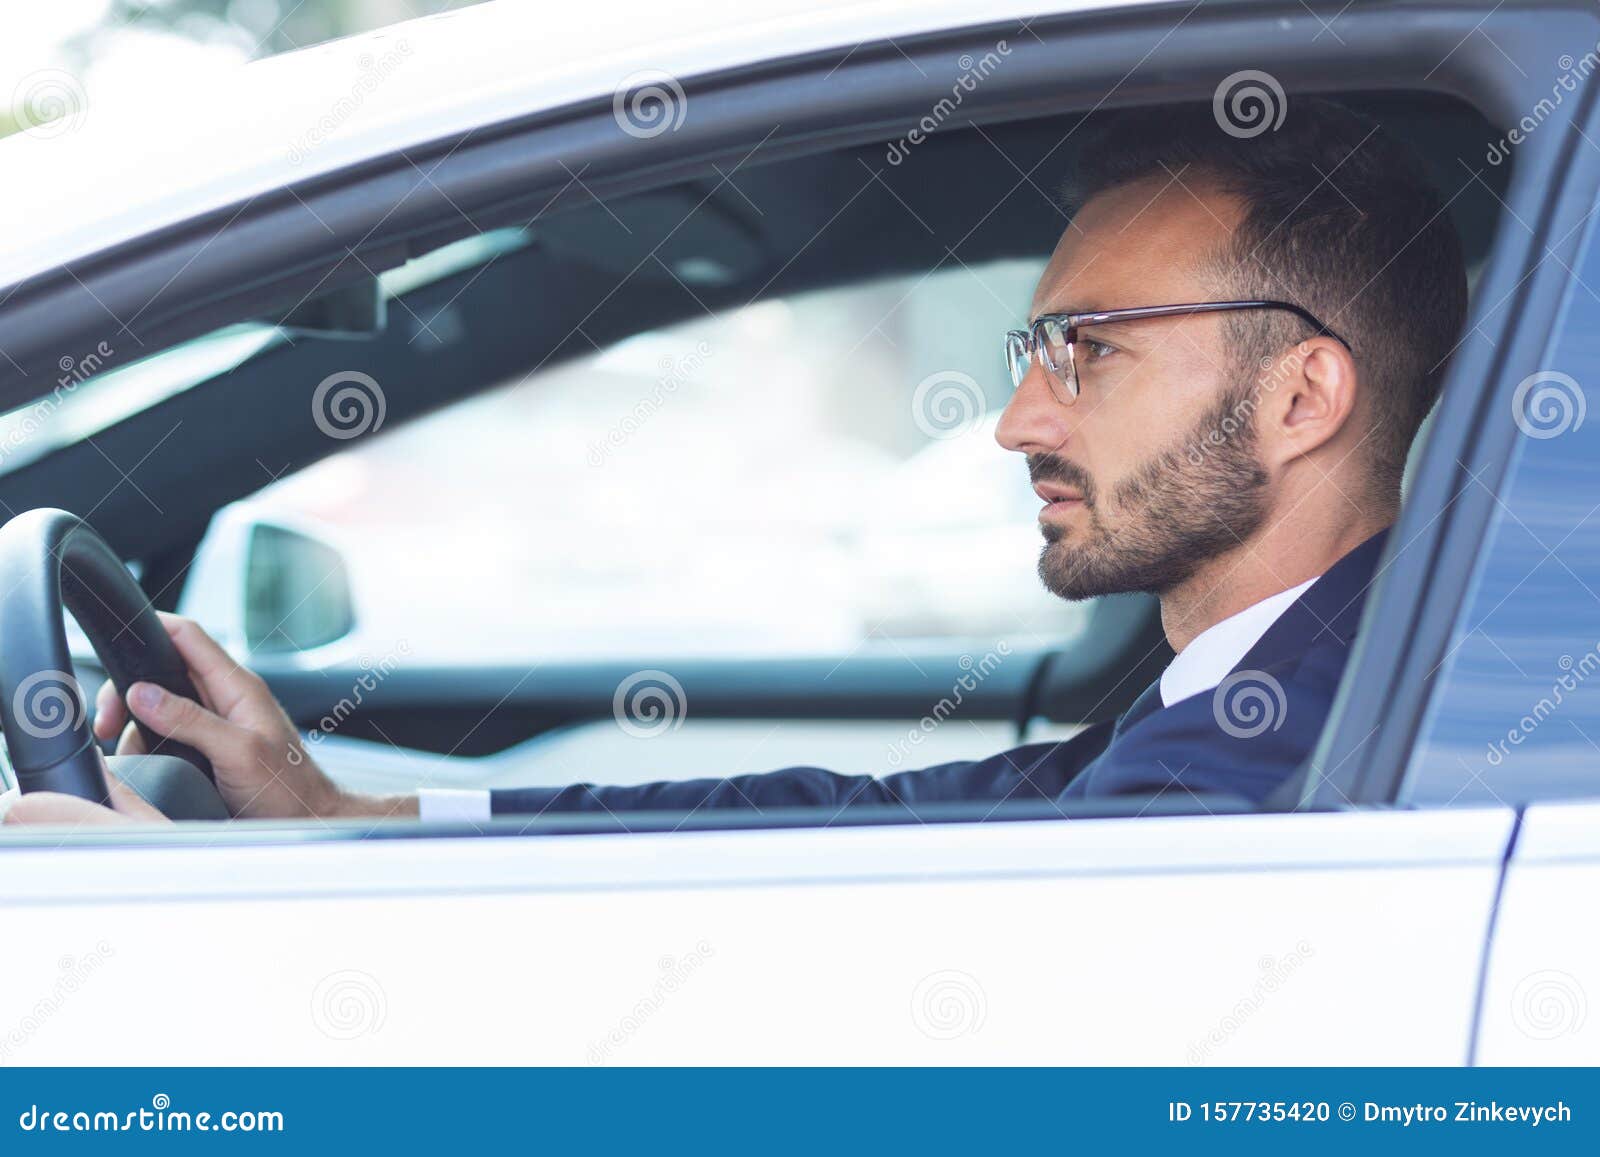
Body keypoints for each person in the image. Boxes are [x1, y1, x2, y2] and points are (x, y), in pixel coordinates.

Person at [2, 97, 1467, 827]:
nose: (1019, 419)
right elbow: (909, 822)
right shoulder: (1301, 685)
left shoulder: (1281, 764)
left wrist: (203, 923)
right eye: (1031, 355)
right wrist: (344, 823)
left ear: (1301, 396)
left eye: (1089, 348)